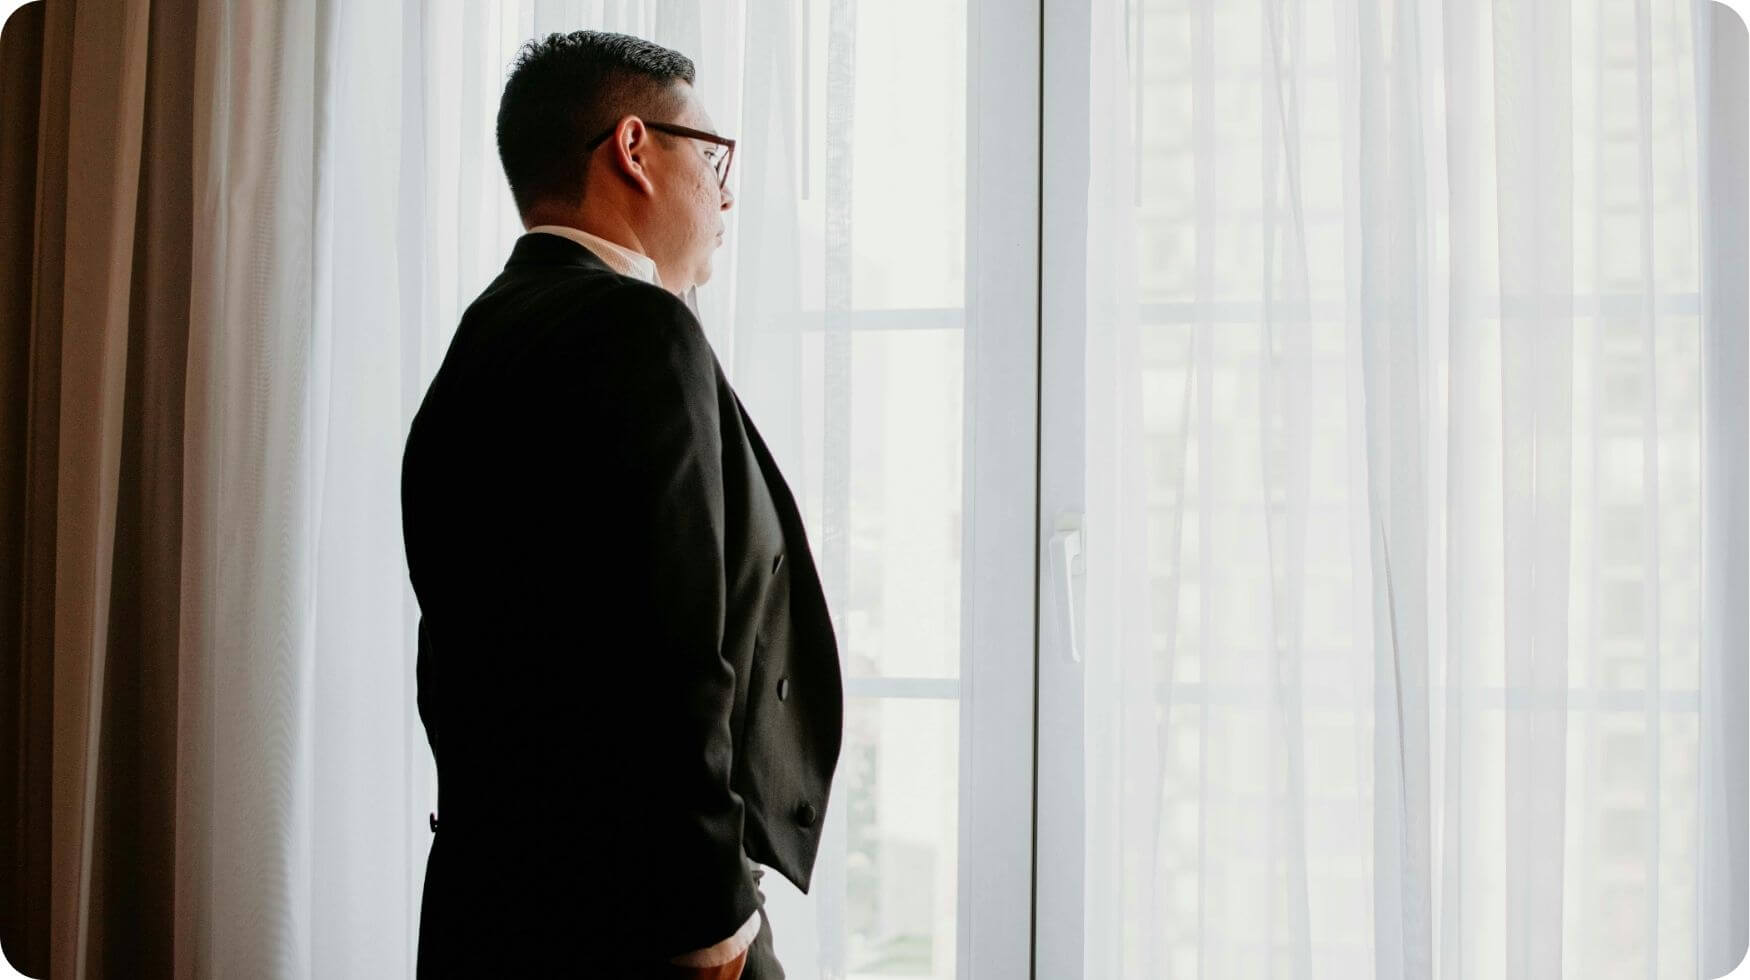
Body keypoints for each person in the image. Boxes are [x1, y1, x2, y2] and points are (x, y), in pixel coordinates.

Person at [399, 30, 843, 979]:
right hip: (639, 916)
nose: (727, 194)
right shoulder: (638, 329)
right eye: (714, 158)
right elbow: (668, 652)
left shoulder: (485, 334)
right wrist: (711, 918)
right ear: (634, 148)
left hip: (489, 903)